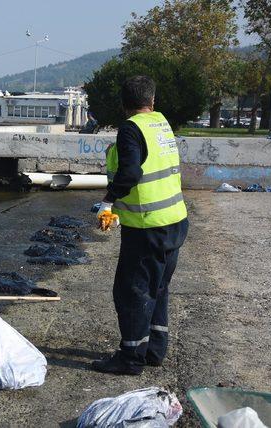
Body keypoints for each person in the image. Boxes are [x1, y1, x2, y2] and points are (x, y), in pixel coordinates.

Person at [92, 75, 189, 376]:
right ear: (153, 101)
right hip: (175, 221)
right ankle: (154, 350)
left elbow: (131, 172)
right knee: (158, 287)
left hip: (147, 227)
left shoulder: (131, 129)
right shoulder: (161, 124)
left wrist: (108, 200)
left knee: (131, 291)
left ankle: (131, 357)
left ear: (123, 104)